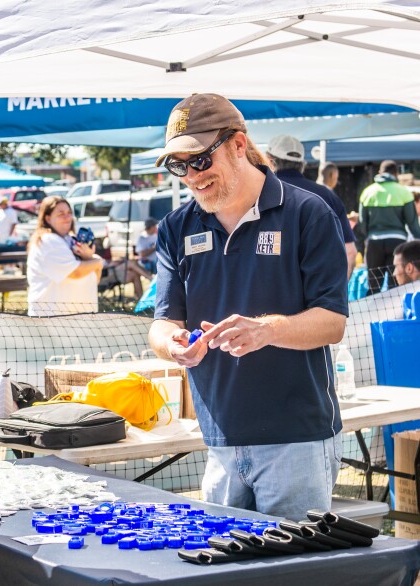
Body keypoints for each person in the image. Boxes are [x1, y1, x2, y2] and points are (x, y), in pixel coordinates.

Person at [148, 93, 347, 521]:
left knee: (292, 572)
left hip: (297, 440)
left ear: (239, 145)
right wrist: (174, 345)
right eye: (179, 165)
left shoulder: (307, 213)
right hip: (218, 439)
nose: (191, 176)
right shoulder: (175, 226)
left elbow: (332, 322)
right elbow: (162, 323)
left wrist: (266, 331)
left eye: (200, 160)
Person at [267, 135, 357, 279]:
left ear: (268, 159)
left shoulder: (258, 194)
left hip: (270, 291)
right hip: (317, 291)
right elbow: (350, 252)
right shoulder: (327, 196)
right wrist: (334, 294)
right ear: (302, 164)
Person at [27, 195, 103, 316]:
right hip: (51, 322)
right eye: (61, 213)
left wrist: (90, 259)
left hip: (79, 322)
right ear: (47, 218)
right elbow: (76, 272)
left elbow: (95, 279)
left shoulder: (70, 240)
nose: (67, 217)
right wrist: (97, 261)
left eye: (69, 212)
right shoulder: (48, 241)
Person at [359, 160, 420, 294]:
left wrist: (369, 238)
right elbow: (412, 223)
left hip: (374, 242)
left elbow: (362, 223)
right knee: (396, 285)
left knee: (373, 286)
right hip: (397, 243)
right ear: (396, 174)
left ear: (380, 172)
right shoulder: (403, 192)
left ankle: (374, 315)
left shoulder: (367, 192)